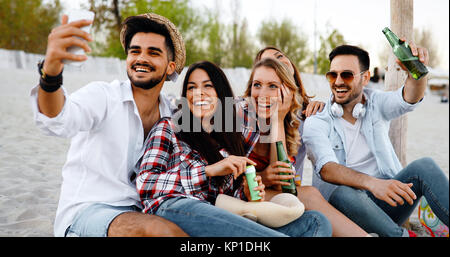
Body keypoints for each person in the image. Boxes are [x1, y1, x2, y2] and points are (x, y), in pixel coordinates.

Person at [30, 13, 188, 237]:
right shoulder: (103, 96)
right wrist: (51, 72)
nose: (141, 58)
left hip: (145, 209)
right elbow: (57, 118)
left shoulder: (173, 114)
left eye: (153, 52)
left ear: (170, 66)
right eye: (135, 51)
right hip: (89, 212)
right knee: (155, 230)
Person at [136, 60, 332, 237]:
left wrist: (246, 192)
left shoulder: (228, 142)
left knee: (316, 222)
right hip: (176, 206)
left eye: (207, 86)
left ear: (220, 94)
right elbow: (145, 183)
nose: (199, 93)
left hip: (219, 212)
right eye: (191, 87)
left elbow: (224, 198)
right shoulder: (170, 127)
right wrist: (209, 171)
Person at [302, 44, 449, 237]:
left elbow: (410, 97)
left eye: (346, 75)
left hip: (387, 203)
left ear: (365, 78)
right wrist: (373, 184)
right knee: (343, 194)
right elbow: (326, 168)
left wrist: (418, 71)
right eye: (332, 75)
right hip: (344, 212)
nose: (338, 81)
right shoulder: (317, 119)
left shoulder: (376, 102)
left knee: (425, 166)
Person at [244, 53, 369, 237]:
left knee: (312, 200)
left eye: (273, 85)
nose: (263, 93)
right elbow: (234, 182)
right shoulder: (240, 118)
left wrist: (278, 119)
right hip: (241, 196)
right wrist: (264, 177)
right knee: (310, 197)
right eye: (258, 84)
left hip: (277, 195)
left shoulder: (294, 119)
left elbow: (282, 185)